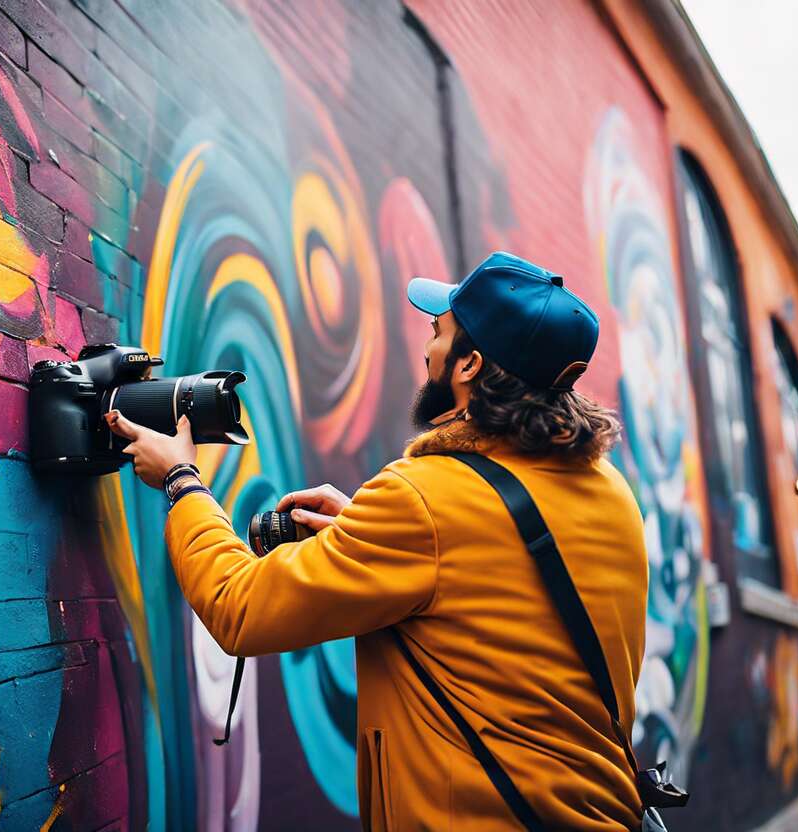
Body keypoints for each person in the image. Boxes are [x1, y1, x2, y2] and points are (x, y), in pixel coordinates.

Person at [108, 252, 649, 830]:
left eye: (438, 330)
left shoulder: (426, 500)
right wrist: (364, 532)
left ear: (468, 365)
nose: (426, 347)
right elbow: (502, 595)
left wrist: (180, 480)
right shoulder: (609, 491)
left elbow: (240, 608)